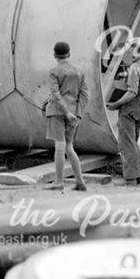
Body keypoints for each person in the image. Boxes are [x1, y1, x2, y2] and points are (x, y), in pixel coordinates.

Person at [107, 40, 140, 186]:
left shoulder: (135, 67)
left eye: (130, 49)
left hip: (129, 110)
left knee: (126, 145)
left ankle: (131, 179)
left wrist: (116, 104)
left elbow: (131, 92)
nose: (128, 52)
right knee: (134, 142)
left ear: (136, 50)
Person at [45, 41, 88, 192]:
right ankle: (80, 181)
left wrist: (66, 112)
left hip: (57, 112)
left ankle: (58, 182)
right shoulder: (80, 71)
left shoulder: (54, 72)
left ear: (54, 55)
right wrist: (77, 114)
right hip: (74, 114)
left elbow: (56, 95)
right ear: (69, 54)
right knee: (69, 147)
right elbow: (84, 95)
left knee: (60, 145)